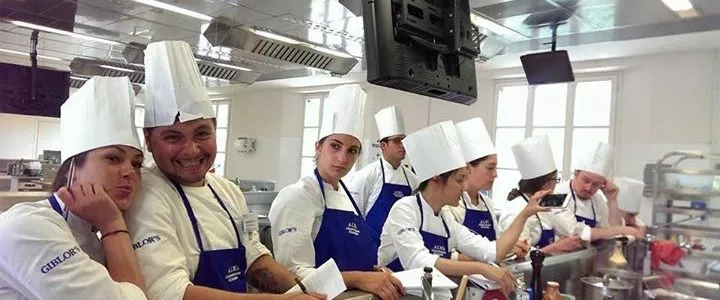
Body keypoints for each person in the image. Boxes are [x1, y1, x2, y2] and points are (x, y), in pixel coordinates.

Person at [124, 41, 320, 300]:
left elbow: (253, 258)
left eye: (202, 133)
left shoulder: (226, 190)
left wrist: (304, 292)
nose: (191, 150)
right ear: (149, 140)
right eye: (173, 138)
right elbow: (169, 292)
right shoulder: (145, 194)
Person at [0, 76, 147, 299]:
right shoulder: (27, 227)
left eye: (136, 163)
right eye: (113, 158)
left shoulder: (92, 239)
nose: (130, 172)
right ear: (72, 169)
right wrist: (113, 224)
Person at [377, 121, 548, 296]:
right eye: (459, 180)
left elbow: (492, 251)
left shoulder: (445, 219)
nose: (465, 187)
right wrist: (481, 268)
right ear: (436, 180)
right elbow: (418, 261)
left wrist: (525, 213)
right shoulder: (405, 209)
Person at [269, 85, 404, 300]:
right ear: (318, 147)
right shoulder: (296, 196)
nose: (343, 158)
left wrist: (373, 272)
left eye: (352, 151)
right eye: (335, 146)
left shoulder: (347, 197)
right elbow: (293, 275)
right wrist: (359, 278)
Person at [449, 117, 529, 259]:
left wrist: (510, 246)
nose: (495, 174)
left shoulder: (487, 203)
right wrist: (498, 253)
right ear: (468, 168)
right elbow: (449, 255)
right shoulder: (452, 205)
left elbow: (493, 245)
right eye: (490, 168)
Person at [499, 136, 584, 255]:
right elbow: (516, 254)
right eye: (556, 180)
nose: (556, 184)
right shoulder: (515, 210)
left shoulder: (548, 201)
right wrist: (554, 248)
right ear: (546, 184)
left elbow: (572, 230)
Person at [346, 105, 418, 240]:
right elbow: (354, 215)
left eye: (404, 140)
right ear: (383, 145)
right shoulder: (366, 175)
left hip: (400, 248)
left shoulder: (412, 179)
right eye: (397, 141)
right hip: (371, 244)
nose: (403, 145)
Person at [553, 143, 645, 243]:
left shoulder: (597, 199)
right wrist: (621, 229)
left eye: (596, 184)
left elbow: (613, 230)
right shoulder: (555, 195)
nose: (588, 188)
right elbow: (576, 231)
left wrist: (612, 199)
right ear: (576, 173)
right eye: (586, 180)